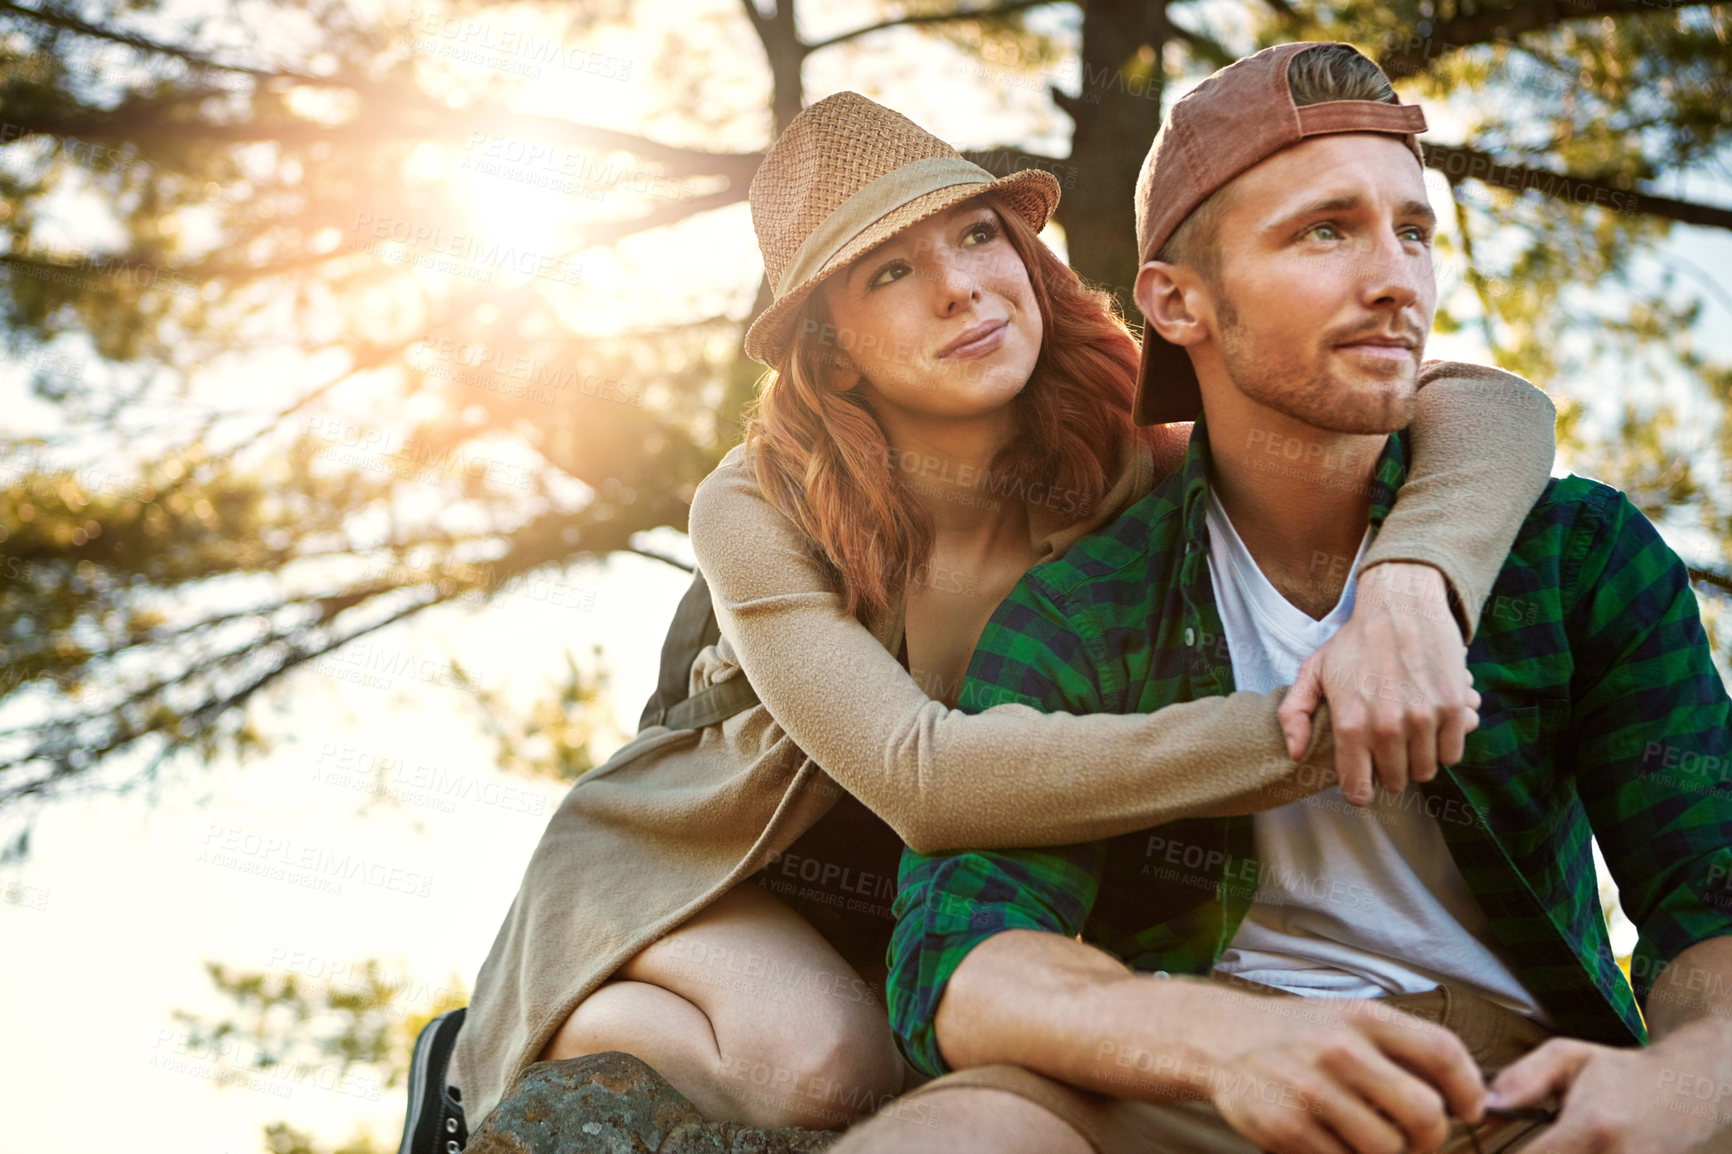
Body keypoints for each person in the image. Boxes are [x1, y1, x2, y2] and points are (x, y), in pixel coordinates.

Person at [442, 89, 1562, 1137]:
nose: (962, 288)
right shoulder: (753, 498)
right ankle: (518, 1044)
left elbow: (1489, 406)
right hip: (709, 861)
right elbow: (923, 776)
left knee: (953, 1063)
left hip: (930, 898)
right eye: (888, 272)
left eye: (978, 236)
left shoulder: (1128, 443)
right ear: (828, 344)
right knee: (825, 1072)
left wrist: (1413, 589)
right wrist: (1318, 729)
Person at [837, 43, 1732, 1154]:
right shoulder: (1086, 607)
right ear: (1175, 301)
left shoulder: (1572, 553)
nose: (1395, 279)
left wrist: (1690, 1072)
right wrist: (1221, 1042)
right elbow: (960, 955)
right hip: (1195, 1076)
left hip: (1522, 1077)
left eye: (1412, 231)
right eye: (1325, 230)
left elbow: (1710, 883)